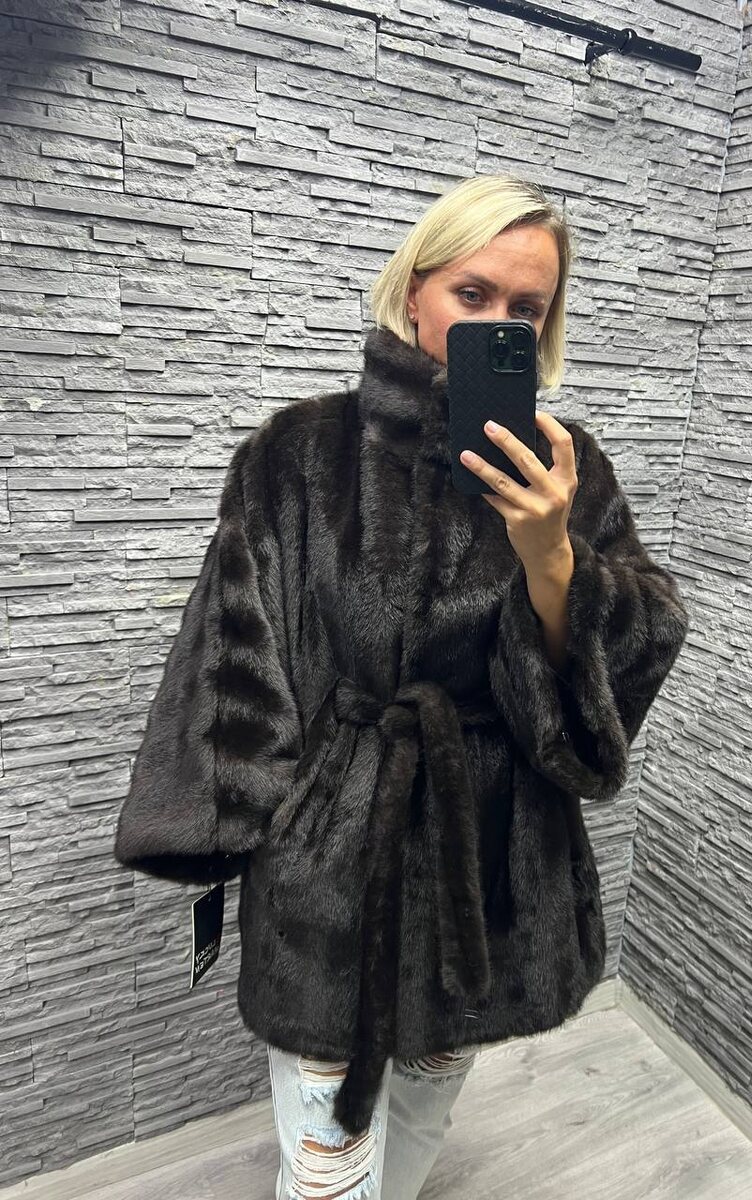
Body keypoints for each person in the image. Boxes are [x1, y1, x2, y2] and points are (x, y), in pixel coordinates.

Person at [113, 172, 690, 1200]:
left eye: (527, 307)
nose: (500, 322)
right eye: (473, 294)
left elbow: (638, 648)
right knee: (325, 1155)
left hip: (492, 860)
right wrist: (231, 833)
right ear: (413, 289)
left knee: (427, 1099)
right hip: (337, 863)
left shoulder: (571, 472)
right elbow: (233, 651)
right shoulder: (299, 456)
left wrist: (552, 555)